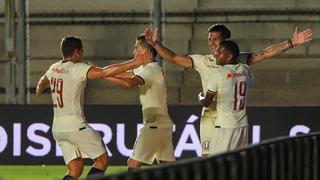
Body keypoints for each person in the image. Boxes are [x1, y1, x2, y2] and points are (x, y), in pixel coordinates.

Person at [144, 24, 313, 157]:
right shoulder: (202, 61)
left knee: (229, 161)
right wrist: (155, 44)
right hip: (210, 118)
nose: (211, 43)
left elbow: (265, 53)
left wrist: (291, 43)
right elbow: (174, 58)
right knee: (208, 160)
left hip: (230, 121)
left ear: (225, 42)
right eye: (209, 39)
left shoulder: (238, 58)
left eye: (215, 39)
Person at [36, 35, 146, 179]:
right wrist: (134, 62)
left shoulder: (54, 68)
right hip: (76, 126)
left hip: (58, 128)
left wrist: (41, 89)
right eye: (81, 51)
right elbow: (104, 72)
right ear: (76, 52)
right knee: (102, 161)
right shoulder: (78, 68)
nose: (82, 53)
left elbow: (41, 85)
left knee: (75, 170)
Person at [105, 35, 175, 169]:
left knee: (133, 164)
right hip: (162, 124)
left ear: (145, 51)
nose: (133, 52)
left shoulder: (150, 70)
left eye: (136, 48)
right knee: (168, 167)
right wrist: (104, 72)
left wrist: (105, 75)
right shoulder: (146, 69)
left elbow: (130, 82)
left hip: (154, 125)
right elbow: (124, 74)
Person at [199, 40, 250, 155]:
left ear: (229, 56)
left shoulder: (218, 75)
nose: (216, 54)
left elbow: (206, 102)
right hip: (242, 126)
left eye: (220, 52)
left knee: (215, 162)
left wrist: (200, 97)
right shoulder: (245, 70)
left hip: (224, 127)